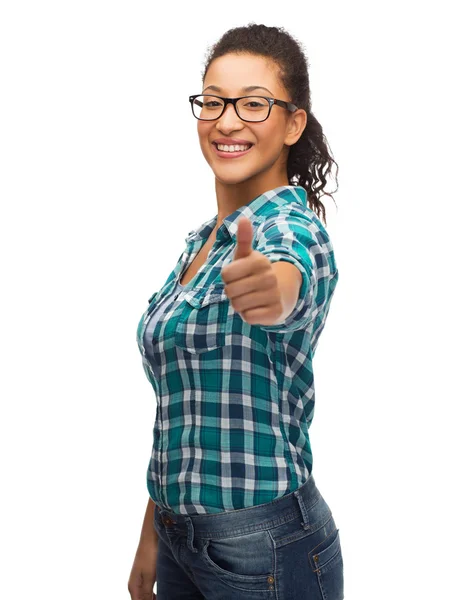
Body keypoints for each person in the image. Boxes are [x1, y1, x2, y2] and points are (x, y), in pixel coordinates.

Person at [128, 23, 343, 600]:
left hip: (266, 549)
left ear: (293, 122)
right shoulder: (202, 243)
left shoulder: (291, 231)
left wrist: (270, 293)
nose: (227, 121)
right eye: (214, 101)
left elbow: (286, 281)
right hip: (179, 542)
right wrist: (152, 537)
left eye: (254, 104)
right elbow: (185, 408)